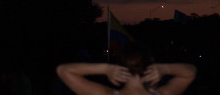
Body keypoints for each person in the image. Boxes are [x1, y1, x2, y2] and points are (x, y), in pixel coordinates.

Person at [57, 42, 196, 95]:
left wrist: (105, 69)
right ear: (150, 65)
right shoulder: (165, 93)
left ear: (120, 65)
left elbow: (63, 70)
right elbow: (190, 72)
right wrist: (165, 69)